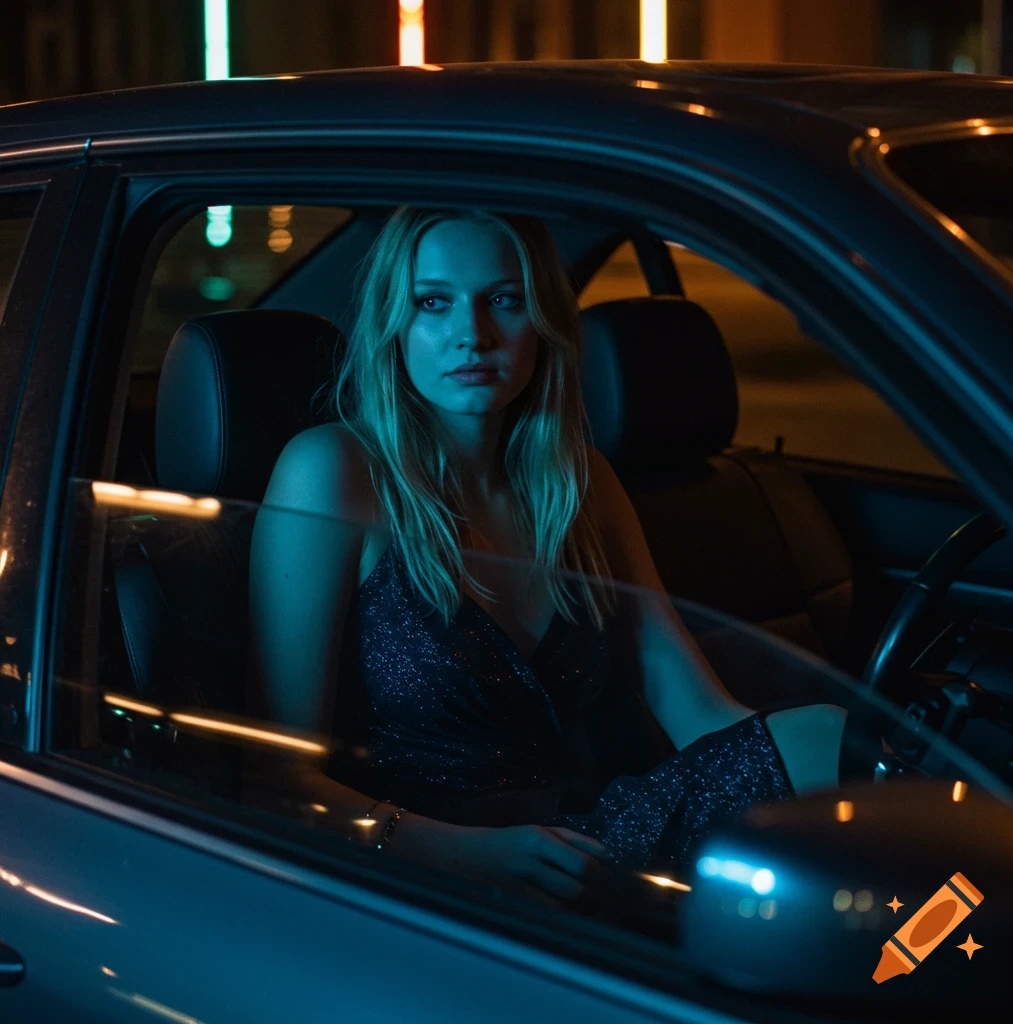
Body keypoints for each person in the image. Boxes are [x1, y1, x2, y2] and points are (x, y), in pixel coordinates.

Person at [249, 207, 847, 905]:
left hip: (581, 846)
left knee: (832, 742)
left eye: (504, 300)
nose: (473, 334)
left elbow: (696, 710)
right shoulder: (334, 471)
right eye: (433, 303)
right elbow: (276, 778)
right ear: (394, 326)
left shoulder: (579, 481)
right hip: (414, 879)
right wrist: (468, 854)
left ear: (545, 322)